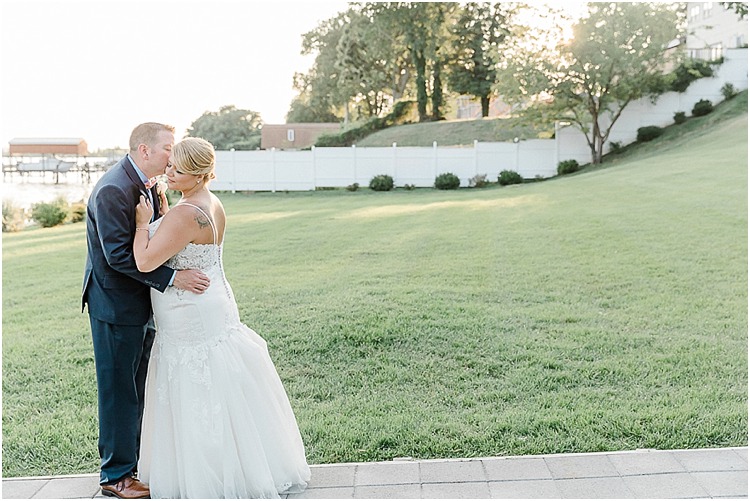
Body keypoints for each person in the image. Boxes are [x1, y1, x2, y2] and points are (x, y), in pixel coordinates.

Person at [132, 137, 310, 498]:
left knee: (196, 388)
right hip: (213, 301)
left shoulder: (186, 214)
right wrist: (166, 214)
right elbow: (187, 245)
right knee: (221, 384)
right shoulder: (210, 203)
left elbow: (146, 261)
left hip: (188, 312)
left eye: (177, 170)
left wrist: (143, 223)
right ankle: (245, 467)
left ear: (198, 175)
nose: (168, 172)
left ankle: (207, 476)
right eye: (169, 166)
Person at [82, 123, 211, 499]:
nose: (173, 155)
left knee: (138, 387)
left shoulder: (149, 184)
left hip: (143, 304)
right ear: (144, 150)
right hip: (115, 306)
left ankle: (135, 466)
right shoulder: (113, 189)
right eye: (168, 148)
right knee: (119, 391)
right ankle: (116, 476)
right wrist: (173, 277)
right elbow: (119, 256)